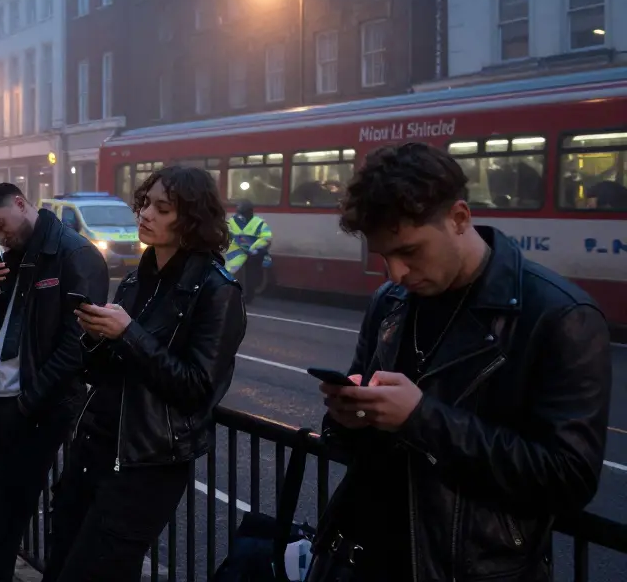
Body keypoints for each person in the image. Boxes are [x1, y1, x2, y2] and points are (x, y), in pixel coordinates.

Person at [315, 142, 611, 582]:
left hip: (467, 569)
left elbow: (567, 478)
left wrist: (421, 418)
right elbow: (354, 443)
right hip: (360, 556)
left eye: (410, 252)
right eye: (383, 257)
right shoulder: (390, 302)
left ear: (459, 219)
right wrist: (350, 417)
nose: (395, 273)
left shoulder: (560, 316)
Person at [46, 166, 247, 581]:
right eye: (144, 203)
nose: (145, 214)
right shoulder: (138, 279)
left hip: (144, 463)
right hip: (94, 449)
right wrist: (96, 337)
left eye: (162, 207)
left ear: (191, 218)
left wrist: (128, 334)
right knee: (60, 562)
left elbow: (197, 388)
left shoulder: (216, 291)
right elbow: (103, 372)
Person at [0, 183, 109, 582]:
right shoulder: (14, 255)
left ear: (20, 204)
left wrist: (28, 401)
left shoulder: (74, 254)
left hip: (35, 408)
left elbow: (77, 344)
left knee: (1, 515)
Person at [224, 200, 271, 296]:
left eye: (244, 213)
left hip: (254, 253)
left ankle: (249, 291)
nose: (242, 216)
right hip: (237, 251)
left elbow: (266, 238)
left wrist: (256, 248)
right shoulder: (232, 221)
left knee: (254, 270)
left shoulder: (259, 222)